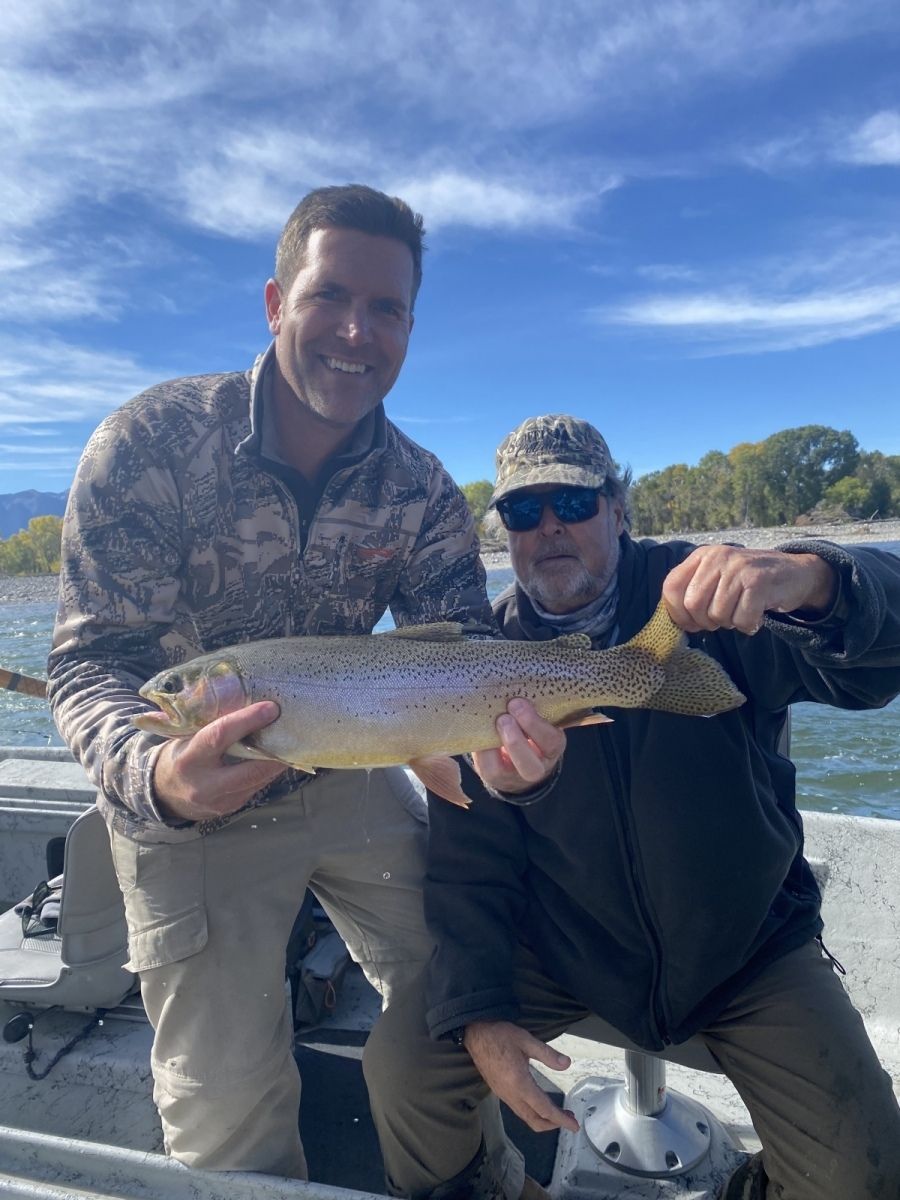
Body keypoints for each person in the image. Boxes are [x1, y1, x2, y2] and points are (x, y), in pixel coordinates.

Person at [46, 184, 497, 1179]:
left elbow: (464, 651)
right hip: (181, 810)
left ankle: (477, 1176)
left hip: (348, 766)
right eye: (329, 295)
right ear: (272, 301)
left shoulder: (421, 488)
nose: (355, 330)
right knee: (226, 1111)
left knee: (467, 984)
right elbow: (89, 663)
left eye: (386, 309)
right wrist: (157, 779)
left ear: (410, 325)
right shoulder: (146, 446)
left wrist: (512, 747)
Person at [364, 414, 900, 1200]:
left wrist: (815, 581)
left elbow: (872, 674)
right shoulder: (477, 654)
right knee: (404, 1070)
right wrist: (479, 1012)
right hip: (563, 945)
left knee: (866, 1172)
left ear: (619, 509)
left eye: (573, 504)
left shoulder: (706, 596)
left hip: (744, 946)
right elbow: (468, 862)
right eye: (522, 511)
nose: (548, 528)